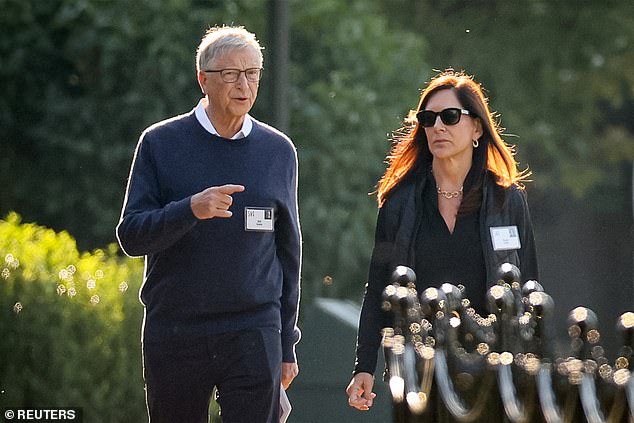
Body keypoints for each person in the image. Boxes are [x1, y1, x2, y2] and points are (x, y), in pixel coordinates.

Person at [116, 25, 301, 423]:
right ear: (203, 79)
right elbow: (131, 235)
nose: (244, 84)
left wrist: (287, 342)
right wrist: (190, 209)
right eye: (231, 74)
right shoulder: (159, 143)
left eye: (252, 73)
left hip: (254, 330)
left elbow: (289, 253)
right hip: (177, 330)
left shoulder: (278, 150)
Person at [346, 70, 538, 411]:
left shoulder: (507, 201)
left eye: (450, 117)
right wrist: (364, 366)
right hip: (418, 368)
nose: (438, 127)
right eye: (428, 119)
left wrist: (531, 369)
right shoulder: (400, 203)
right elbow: (378, 290)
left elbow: (529, 290)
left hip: (493, 368)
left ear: (476, 127)